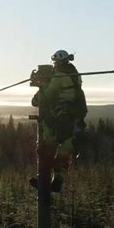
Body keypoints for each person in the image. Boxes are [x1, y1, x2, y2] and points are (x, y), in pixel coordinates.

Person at [30, 49, 87, 192]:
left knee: (48, 140)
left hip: (62, 112)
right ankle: (58, 180)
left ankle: (43, 178)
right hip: (75, 114)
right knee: (66, 146)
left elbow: (49, 94)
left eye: (54, 62)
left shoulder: (59, 75)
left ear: (58, 61)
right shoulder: (74, 73)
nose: (54, 65)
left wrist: (42, 85)